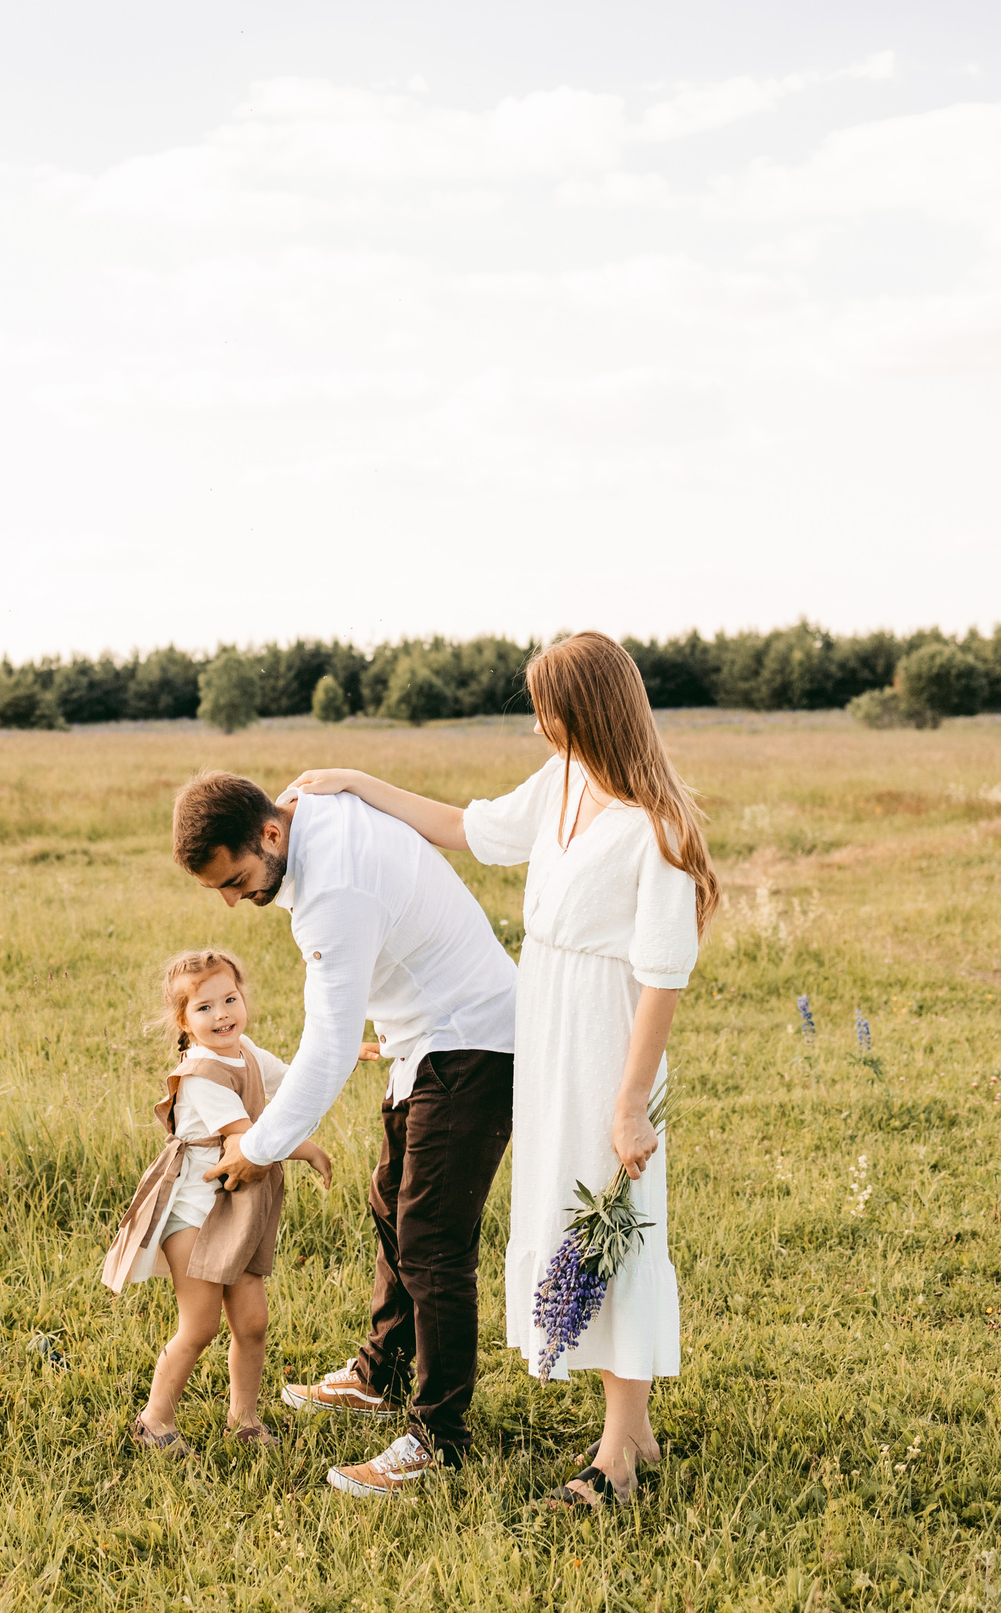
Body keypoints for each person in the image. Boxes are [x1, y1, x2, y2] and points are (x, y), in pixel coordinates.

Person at [282, 631, 719, 1512]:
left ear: (586, 709)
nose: (535, 728)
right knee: (567, 1217)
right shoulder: (562, 783)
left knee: (613, 1226)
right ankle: (634, 1430)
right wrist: (357, 782)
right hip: (546, 1031)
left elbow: (665, 975)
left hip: (608, 1040)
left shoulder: (658, 829)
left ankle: (617, 1461)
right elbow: (465, 828)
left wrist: (632, 1102)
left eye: (545, 710)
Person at [175, 770, 517, 1497]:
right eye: (219, 891)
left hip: (472, 1040)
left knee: (432, 1240)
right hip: (422, 1034)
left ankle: (440, 1440)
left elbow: (330, 1046)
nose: (234, 901)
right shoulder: (306, 806)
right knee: (390, 1202)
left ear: (271, 833)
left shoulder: (333, 892)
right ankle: (380, 1375)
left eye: (235, 880)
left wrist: (257, 1147)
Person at [100, 949, 332, 1456]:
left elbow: (289, 1081)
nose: (222, 1014)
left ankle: (244, 1418)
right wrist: (309, 1149)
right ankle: (154, 1418)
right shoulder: (202, 1073)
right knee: (200, 1325)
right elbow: (251, 1139)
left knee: (252, 1322)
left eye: (230, 999)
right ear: (183, 1021)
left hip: (235, 1208)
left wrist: (342, 1056)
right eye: (204, 1008)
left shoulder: (242, 1049)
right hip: (193, 1214)